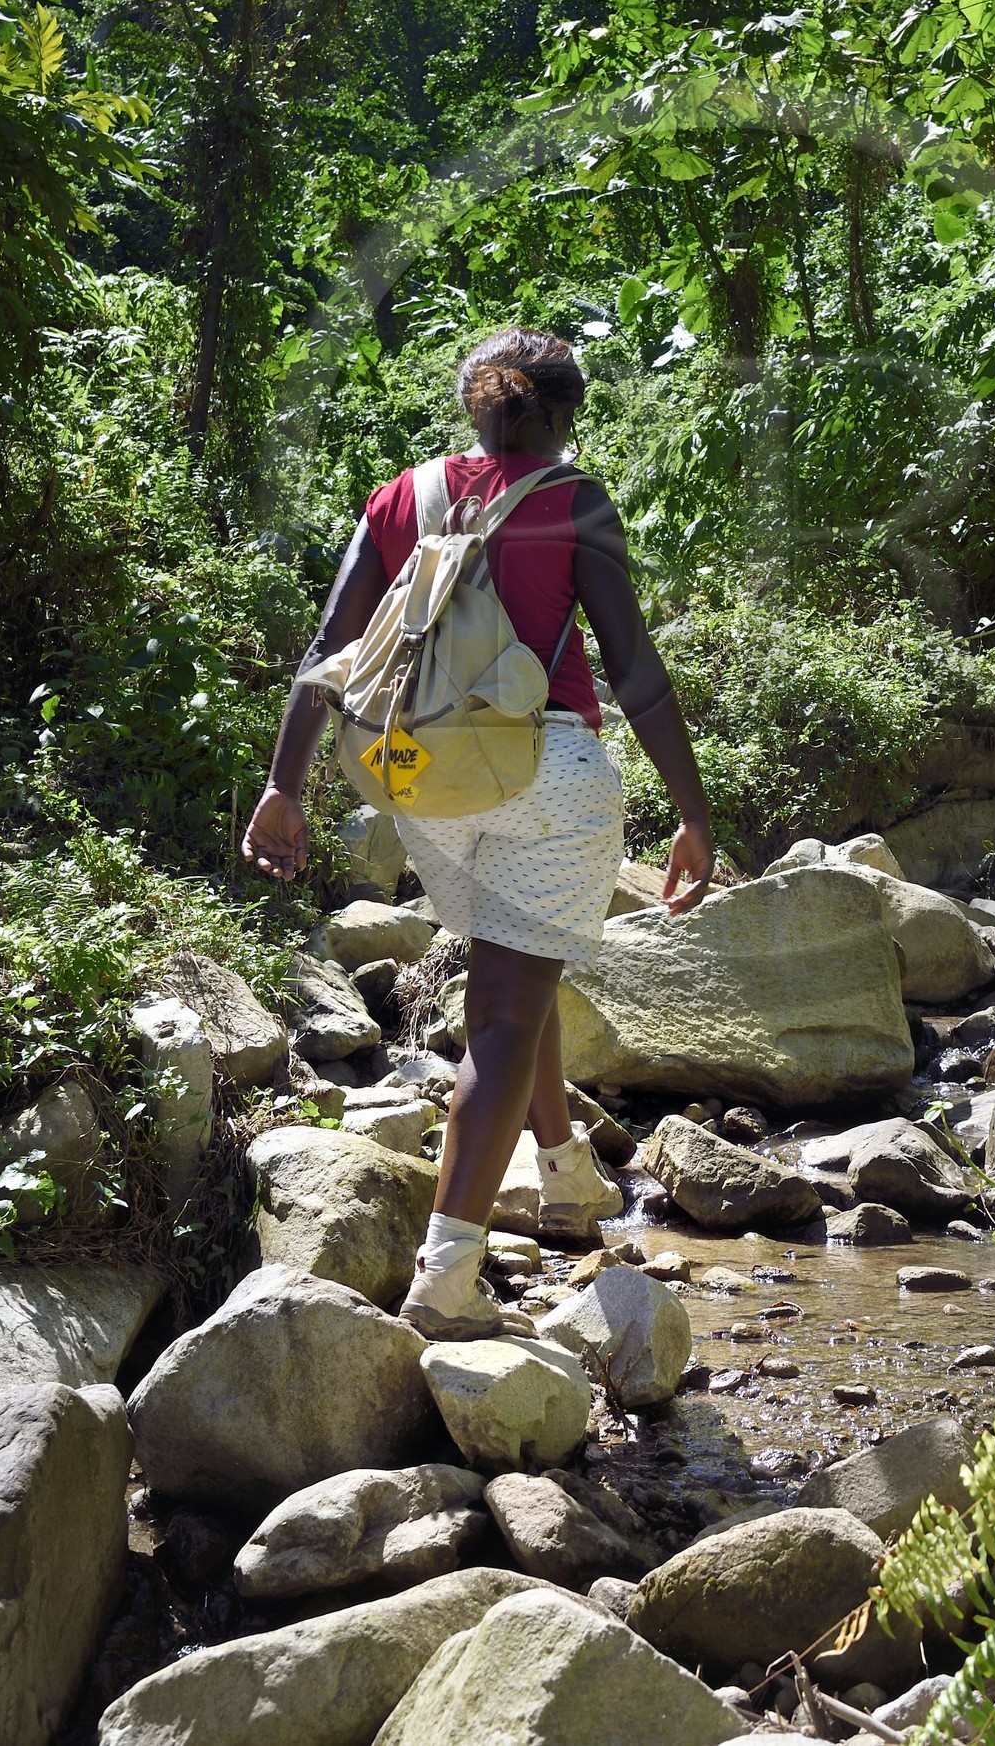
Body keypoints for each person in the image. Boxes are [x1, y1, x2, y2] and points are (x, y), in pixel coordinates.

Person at [241, 327, 715, 1338]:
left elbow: (328, 648)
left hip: (423, 782)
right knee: (504, 1014)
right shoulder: (571, 502)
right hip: (545, 772)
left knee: (516, 969)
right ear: (563, 414)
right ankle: (445, 1281)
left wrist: (283, 786)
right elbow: (631, 672)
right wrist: (691, 811)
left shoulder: (401, 496)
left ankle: (563, 1177)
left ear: (472, 405)